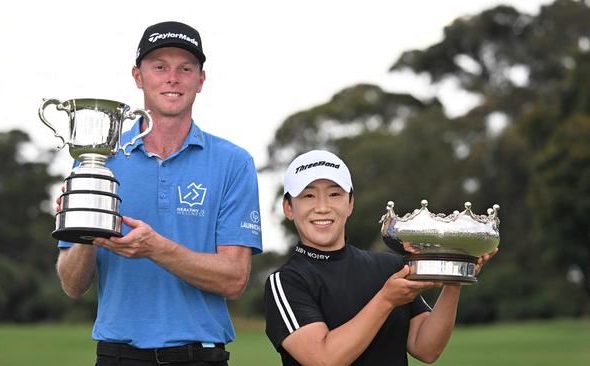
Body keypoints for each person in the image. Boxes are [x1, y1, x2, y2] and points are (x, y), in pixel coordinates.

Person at [55, 21, 262, 366]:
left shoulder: (233, 163)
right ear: (138, 76)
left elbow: (234, 279)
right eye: (160, 67)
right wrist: (84, 232)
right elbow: (73, 286)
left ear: (201, 80)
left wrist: (156, 248)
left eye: (185, 68)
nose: (173, 78)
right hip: (118, 355)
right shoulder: (99, 161)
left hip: (200, 356)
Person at [263, 150, 496, 365]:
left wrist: (454, 278)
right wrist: (386, 299)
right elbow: (323, 360)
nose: (322, 207)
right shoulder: (286, 281)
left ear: (350, 204)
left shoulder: (389, 266)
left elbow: (426, 348)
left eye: (334, 194)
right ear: (289, 208)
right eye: (308, 196)